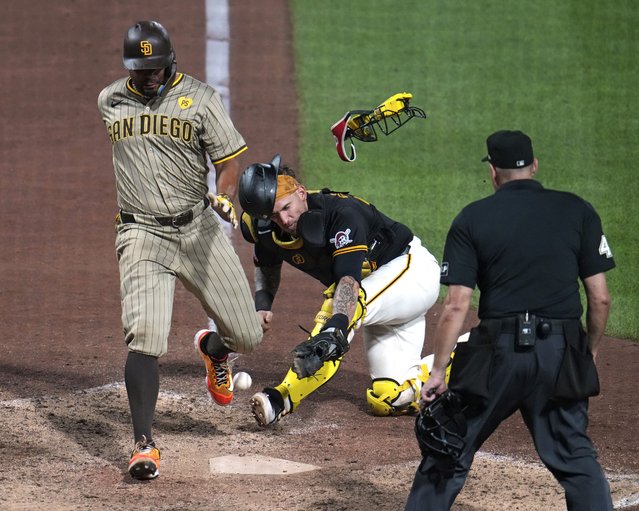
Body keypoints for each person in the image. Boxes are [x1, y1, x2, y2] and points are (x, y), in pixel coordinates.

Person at [405, 130, 615, 510]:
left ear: (492, 172)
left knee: (448, 449)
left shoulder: (473, 218)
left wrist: (437, 372)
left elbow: (456, 305)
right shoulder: (578, 210)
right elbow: (600, 297)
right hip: (560, 352)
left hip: (496, 356)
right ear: (534, 165)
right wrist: (588, 352)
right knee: (577, 460)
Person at [97, 21, 262, 480]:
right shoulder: (110, 100)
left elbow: (228, 160)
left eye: (154, 68)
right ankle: (143, 444)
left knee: (248, 335)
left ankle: (213, 348)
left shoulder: (202, 100)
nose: (147, 77)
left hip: (199, 230)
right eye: (139, 69)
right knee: (145, 337)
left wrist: (225, 192)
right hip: (141, 235)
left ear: (170, 60)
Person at [236, 154, 444, 427]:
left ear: (301, 192)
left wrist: (337, 324)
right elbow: (267, 260)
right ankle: (465, 358)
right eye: (273, 215)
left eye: (286, 208)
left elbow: (348, 282)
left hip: (412, 274)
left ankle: (282, 398)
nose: (283, 220)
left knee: (339, 310)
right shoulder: (263, 224)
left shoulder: (342, 215)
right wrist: (263, 302)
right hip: (382, 303)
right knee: (387, 398)